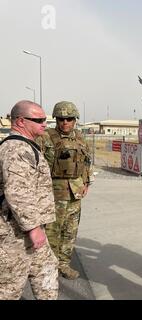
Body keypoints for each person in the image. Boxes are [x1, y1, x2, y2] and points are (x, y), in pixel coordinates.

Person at [0, 100, 58, 300]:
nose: (44, 123)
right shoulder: (16, 149)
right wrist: (33, 228)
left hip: (26, 228)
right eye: (39, 119)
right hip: (13, 233)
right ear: (21, 121)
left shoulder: (26, 145)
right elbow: (18, 192)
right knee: (10, 286)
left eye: (45, 119)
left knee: (47, 271)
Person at [36, 101, 93, 280]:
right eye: (61, 118)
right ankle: (49, 267)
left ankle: (64, 264)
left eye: (69, 119)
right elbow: (36, 165)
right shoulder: (45, 137)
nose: (65, 122)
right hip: (53, 193)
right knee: (52, 232)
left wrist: (87, 182)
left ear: (75, 120)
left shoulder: (80, 137)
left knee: (70, 232)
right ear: (56, 119)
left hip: (75, 193)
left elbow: (87, 161)